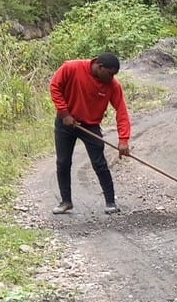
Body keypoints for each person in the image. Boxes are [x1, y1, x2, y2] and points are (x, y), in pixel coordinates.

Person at [49, 51, 131, 215]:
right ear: (99, 67)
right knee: (63, 162)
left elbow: (121, 111)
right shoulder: (71, 68)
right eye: (110, 73)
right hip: (66, 122)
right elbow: (55, 87)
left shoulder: (112, 85)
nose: (112, 78)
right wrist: (64, 113)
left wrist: (123, 139)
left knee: (99, 163)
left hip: (90, 126)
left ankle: (110, 202)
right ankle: (66, 202)